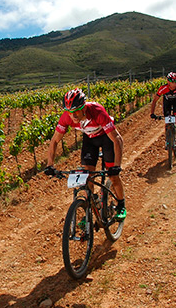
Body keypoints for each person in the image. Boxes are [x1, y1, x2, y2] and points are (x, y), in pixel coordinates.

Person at [44, 88, 126, 220]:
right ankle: (89, 207)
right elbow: (54, 141)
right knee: (87, 175)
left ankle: (121, 205)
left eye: (76, 110)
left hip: (106, 138)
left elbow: (117, 139)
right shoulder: (67, 117)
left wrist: (117, 165)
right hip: (89, 139)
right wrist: (50, 165)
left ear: (84, 108)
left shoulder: (97, 112)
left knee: (113, 176)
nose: (73, 115)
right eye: (70, 112)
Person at [150, 72, 176, 149]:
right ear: (168, 82)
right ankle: (167, 141)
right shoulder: (163, 88)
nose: (174, 84)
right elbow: (155, 101)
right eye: (172, 82)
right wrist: (152, 113)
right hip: (167, 103)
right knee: (167, 122)